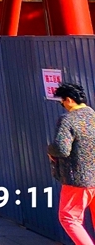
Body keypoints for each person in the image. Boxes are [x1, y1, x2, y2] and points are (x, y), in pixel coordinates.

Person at [49, 82, 95, 245]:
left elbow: (61, 148)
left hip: (78, 179)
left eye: (61, 102)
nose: (62, 105)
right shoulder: (93, 115)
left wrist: (50, 150)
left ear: (68, 100)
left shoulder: (68, 120)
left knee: (69, 217)